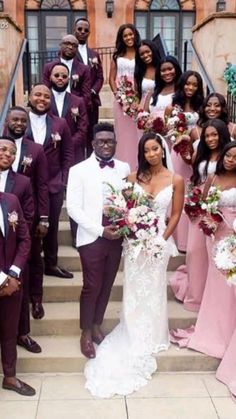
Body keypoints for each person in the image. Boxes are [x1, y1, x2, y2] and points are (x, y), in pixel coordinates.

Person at [84, 131, 184, 398]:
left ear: (163, 149)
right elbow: (124, 208)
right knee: (134, 288)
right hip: (134, 244)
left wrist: (161, 241)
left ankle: (153, 335)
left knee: (153, 289)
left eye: (155, 149)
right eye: (147, 150)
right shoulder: (133, 178)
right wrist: (129, 227)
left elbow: (175, 214)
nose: (152, 154)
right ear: (142, 153)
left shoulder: (176, 179)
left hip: (158, 242)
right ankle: (132, 331)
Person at [66, 123, 130, 359]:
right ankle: (85, 331)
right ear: (93, 144)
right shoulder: (78, 170)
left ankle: (96, 324)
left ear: (115, 143)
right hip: (92, 236)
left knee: (107, 284)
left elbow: (129, 199)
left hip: (117, 236)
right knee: (91, 285)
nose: (106, 145)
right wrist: (101, 230)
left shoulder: (124, 167)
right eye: (101, 141)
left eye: (110, 141)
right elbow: (73, 208)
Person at [172, 142, 236, 359]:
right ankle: (215, 326)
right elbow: (201, 204)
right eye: (228, 155)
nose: (230, 160)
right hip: (217, 234)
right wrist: (209, 219)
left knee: (232, 283)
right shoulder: (213, 178)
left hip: (235, 235)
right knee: (218, 280)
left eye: (235, 157)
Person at [170, 119, 231, 309]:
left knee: (215, 256)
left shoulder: (229, 155)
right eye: (207, 135)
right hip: (199, 207)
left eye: (214, 134)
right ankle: (197, 296)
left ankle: (215, 299)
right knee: (196, 252)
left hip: (221, 209)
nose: (211, 139)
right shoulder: (201, 154)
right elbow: (194, 177)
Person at [5, 106, 49, 321]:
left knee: (33, 259)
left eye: (24, 120)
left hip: (26, 220)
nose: (20, 124)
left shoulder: (36, 149)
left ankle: (36, 298)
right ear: (7, 121)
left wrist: (42, 218)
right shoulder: (2, 145)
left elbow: (41, 185)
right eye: (15, 120)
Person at [25, 84, 73, 279]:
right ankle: (28, 264)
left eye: (46, 96)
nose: (42, 99)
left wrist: (63, 179)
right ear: (30, 98)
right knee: (26, 225)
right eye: (38, 95)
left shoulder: (60, 124)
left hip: (53, 184)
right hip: (25, 185)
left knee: (51, 226)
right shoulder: (19, 121)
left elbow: (67, 153)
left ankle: (51, 264)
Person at [0, 135, 42, 354]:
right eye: (3, 149)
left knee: (19, 292)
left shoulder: (22, 182)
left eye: (12, 152)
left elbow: (28, 212)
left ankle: (22, 333)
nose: (7, 154)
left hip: (14, 247)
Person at [165, 70, 204, 252]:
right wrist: (181, 144)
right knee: (178, 194)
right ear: (182, 84)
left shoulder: (202, 107)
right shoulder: (173, 106)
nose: (191, 88)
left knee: (192, 193)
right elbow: (168, 130)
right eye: (188, 84)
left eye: (195, 85)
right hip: (178, 154)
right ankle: (178, 239)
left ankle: (191, 240)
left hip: (197, 154)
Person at [0, 191, 34, 396]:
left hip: (13, 280)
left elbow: (24, 238)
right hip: (5, 281)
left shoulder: (10, 200)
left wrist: (14, 272)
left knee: (10, 330)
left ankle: (10, 376)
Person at [109, 23, 141, 170]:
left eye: (131, 34)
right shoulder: (117, 55)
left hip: (137, 98)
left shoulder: (141, 53)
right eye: (125, 35)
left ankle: (137, 165)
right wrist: (118, 96)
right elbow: (111, 78)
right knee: (122, 134)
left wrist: (138, 98)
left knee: (137, 132)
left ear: (135, 34)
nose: (129, 37)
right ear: (121, 38)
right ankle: (122, 165)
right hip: (121, 99)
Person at [74, 17, 104, 156]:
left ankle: (93, 159)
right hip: (75, 100)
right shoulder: (69, 53)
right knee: (78, 133)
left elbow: (99, 77)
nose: (82, 32)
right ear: (75, 30)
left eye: (86, 30)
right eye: (79, 29)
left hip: (92, 101)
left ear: (89, 33)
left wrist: (92, 91)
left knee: (92, 133)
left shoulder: (94, 55)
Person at [48, 62, 88, 164]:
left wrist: (68, 144)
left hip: (73, 154)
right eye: (56, 75)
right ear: (50, 77)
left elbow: (82, 129)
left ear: (68, 79)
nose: (60, 78)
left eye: (64, 76)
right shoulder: (43, 100)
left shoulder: (78, 101)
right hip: (48, 153)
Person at [43, 34, 91, 107]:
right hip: (53, 108)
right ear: (60, 45)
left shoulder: (84, 69)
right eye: (67, 43)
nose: (70, 47)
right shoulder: (49, 67)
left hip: (75, 108)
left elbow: (86, 95)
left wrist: (79, 107)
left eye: (74, 45)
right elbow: (45, 90)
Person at [134, 39, 160, 105]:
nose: (145, 55)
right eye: (142, 54)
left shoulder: (162, 69)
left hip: (159, 106)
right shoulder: (138, 72)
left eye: (147, 52)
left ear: (153, 51)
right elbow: (137, 94)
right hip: (143, 108)